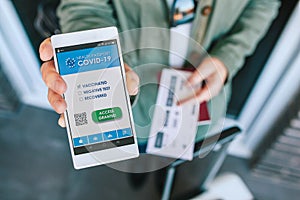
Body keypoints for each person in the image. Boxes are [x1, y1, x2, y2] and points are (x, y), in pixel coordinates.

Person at [40, 0, 280, 152]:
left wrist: (228, 57)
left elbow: (264, 4)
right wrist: (99, 65)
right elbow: (84, 6)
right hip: (129, 111)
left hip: (202, 111)